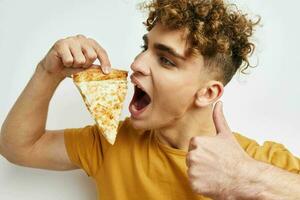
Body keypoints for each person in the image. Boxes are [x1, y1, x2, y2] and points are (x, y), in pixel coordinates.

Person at [1, 0, 300, 199]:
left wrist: (245, 177)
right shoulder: (110, 143)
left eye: (166, 60)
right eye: (145, 48)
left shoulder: (260, 162)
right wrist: (47, 72)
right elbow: (19, 147)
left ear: (208, 92)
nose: (137, 63)